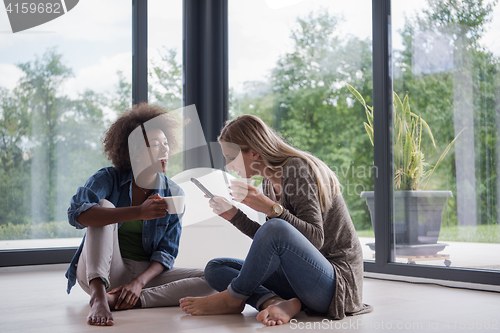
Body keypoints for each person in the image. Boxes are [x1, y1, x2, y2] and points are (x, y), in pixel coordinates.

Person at [179, 114, 372, 326]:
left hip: (337, 286)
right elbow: (273, 244)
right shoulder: (268, 184)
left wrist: (272, 208)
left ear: (253, 153)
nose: (228, 166)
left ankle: (234, 298)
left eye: (231, 158)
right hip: (302, 280)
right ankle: (277, 302)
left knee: (275, 229)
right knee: (216, 268)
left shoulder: (296, 169)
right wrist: (235, 216)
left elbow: (314, 238)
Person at [65, 103, 214, 326]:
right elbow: (77, 214)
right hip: (103, 271)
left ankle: (123, 299)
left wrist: (138, 283)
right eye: (155, 144)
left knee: (211, 278)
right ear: (134, 149)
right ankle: (98, 297)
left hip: (144, 275)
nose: (165, 150)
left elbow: (166, 252)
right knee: (104, 207)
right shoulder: (108, 178)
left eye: (166, 144)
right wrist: (138, 212)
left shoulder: (173, 192)